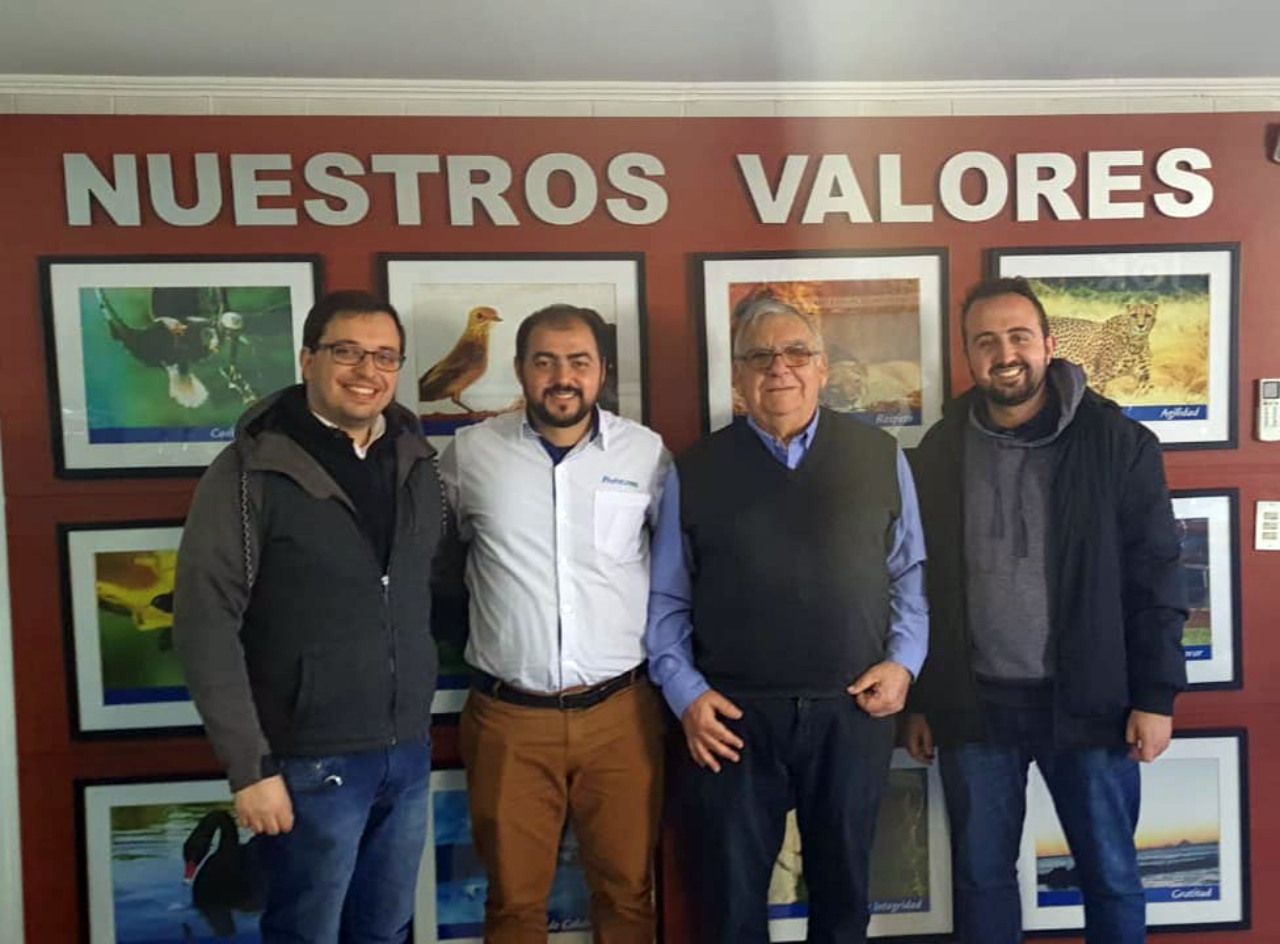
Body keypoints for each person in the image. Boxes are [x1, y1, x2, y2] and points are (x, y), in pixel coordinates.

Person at [903, 277, 1188, 944]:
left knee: (1111, 877)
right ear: (968, 356)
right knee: (980, 881)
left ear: (1049, 345)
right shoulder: (939, 451)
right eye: (986, 341)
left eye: (1018, 337)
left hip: (1091, 705)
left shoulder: (1118, 443)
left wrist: (1156, 696)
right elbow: (918, 586)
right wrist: (922, 701)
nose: (1005, 354)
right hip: (976, 708)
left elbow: (1156, 576)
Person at [646, 294, 928, 943]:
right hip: (732, 722)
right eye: (760, 356)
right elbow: (667, 601)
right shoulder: (695, 469)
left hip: (851, 712)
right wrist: (687, 696)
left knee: (844, 903)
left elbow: (910, 574)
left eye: (797, 352)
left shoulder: (881, 455)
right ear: (738, 377)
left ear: (822, 368)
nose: (780, 367)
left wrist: (904, 662)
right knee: (731, 908)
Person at [173, 290, 442, 943]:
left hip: (406, 754)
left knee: (385, 932)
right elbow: (205, 623)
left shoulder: (416, 462)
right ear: (307, 359)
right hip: (306, 765)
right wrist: (250, 769)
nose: (366, 371)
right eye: (346, 352)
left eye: (385, 356)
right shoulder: (250, 471)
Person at [438, 304, 670, 942]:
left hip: (621, 716)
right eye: (545, 362)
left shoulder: (645, 454)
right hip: (510, 720)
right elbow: (438, 564)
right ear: (519, 369)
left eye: (578, 362)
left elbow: (675, 574)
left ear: (602, 371)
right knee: (513, 905)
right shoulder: (470, 455)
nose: (562, 377)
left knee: (628, 896)